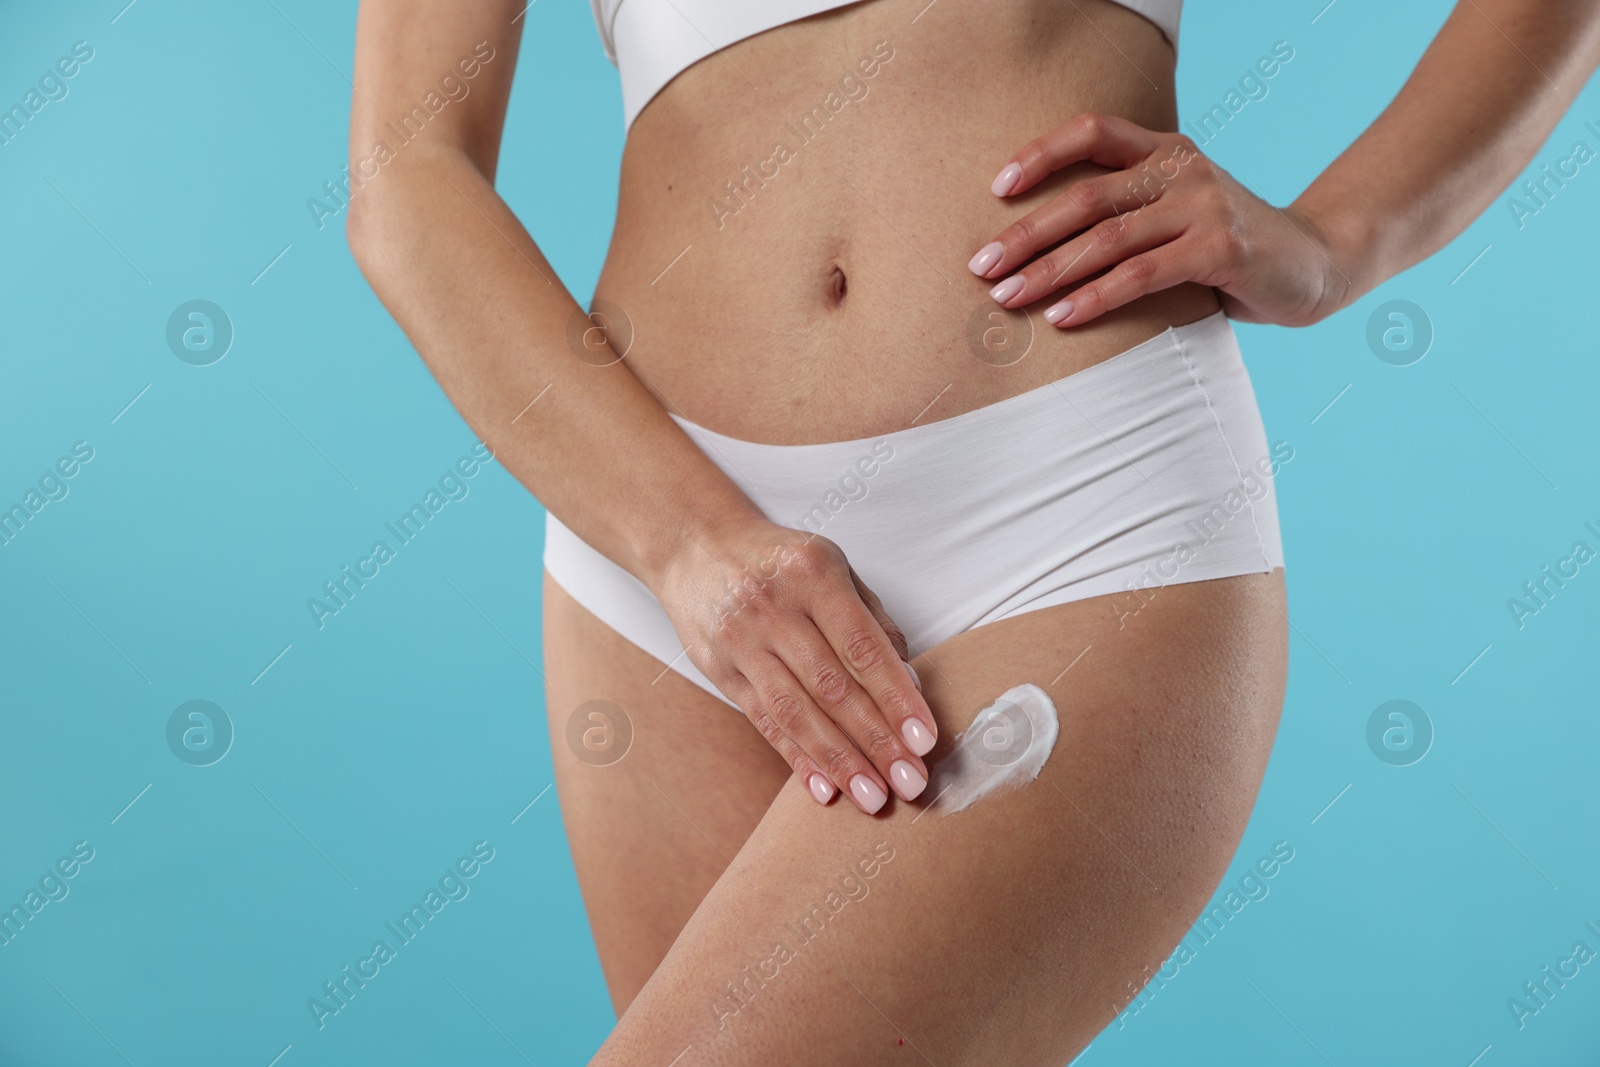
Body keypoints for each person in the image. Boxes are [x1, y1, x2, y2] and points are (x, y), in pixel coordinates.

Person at [347, 1, 1600, 1061]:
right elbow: (407, 174)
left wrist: (1339, 239)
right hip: (650, 534)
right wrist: (684, 544)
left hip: (1062, 503)